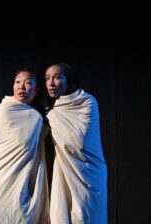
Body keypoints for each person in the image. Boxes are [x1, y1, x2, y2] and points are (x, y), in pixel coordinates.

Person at [0, 68, 49, 224]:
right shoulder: (5, 109)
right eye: (17, 82)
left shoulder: (38, 117)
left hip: (20, 185)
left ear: (37, 91)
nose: (21, 86)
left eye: (28, 82)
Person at [44, 63, 107, 224]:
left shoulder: (87, 102)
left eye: (57, 77)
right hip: (64, 171)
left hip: (89, 172)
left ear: (69, 81)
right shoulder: (52, 111)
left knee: (87, 216)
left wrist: (51, 117)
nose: (51, 83)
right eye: (47, 78)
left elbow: (79, 140)